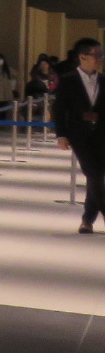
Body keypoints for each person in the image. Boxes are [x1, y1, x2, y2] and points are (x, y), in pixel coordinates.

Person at [53, 38, 105, 234]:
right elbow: (59, 109)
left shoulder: (103, 80)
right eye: (96, 55)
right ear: (83, 57)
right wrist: (61, 135)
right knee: (94, 175)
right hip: (79, 135)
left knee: (96, 176)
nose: (100, 59)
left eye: (101, 55)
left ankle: (87, 221)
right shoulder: (68, 80)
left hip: (101, 134)